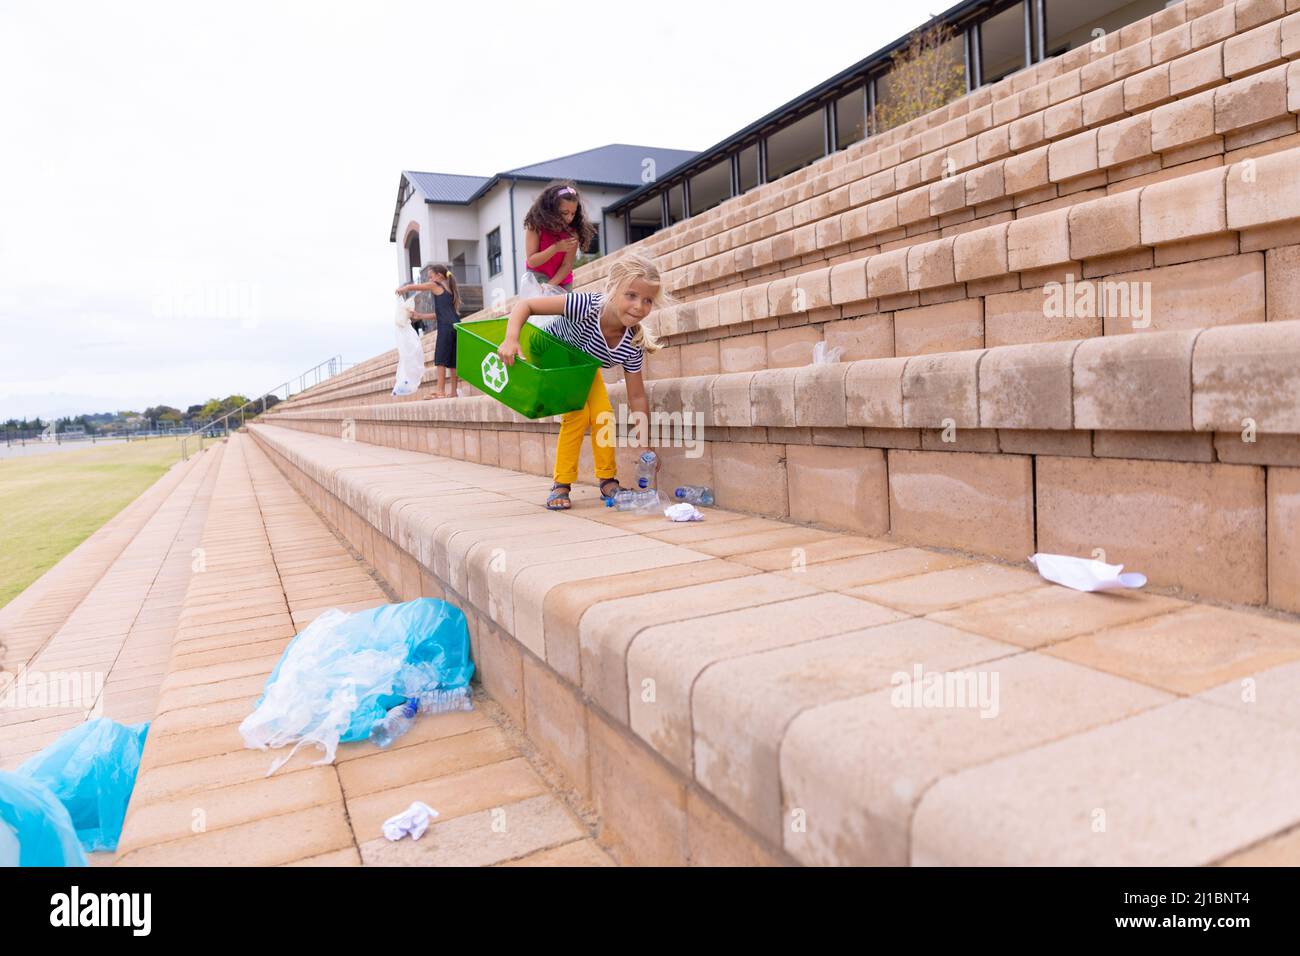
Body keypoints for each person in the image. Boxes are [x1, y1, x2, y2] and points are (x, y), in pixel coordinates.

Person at [497, 254, 666, 510]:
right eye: (631, 295)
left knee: (603, 415)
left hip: (583, 365)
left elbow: (637, 397)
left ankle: (608, 479)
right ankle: (561, 484)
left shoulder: (632, 344)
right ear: (612, 289)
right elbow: (526, 306)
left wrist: (645, 444)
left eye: (647, 301)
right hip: (551, 350)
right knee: (578, 414)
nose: (639, 307)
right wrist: (511, 338)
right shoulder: (586, 306)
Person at [397, 265, 463, 398]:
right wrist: (420, 316)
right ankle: (454, 392)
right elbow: (440, 314)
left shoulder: (436, 285)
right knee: (453, 362)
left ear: (439, 276)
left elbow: (421, 287)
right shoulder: (450, 289)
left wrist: (405, 288)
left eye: (431, 276)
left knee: (441, 359)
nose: (430, 279)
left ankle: (440, 391)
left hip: (445, 327)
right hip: (456, 326)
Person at [522, 180, 597, 292]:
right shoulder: (535, 226)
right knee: (541, 306)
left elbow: (567, 265)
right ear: (551, 209)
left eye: (573, 213)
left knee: (564, 308)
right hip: (538, 275)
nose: (569, 218)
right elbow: (532, 261)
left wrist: (549, 286)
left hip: (561, 280)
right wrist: (556, 248)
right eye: (565, 212)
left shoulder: (572, 233)